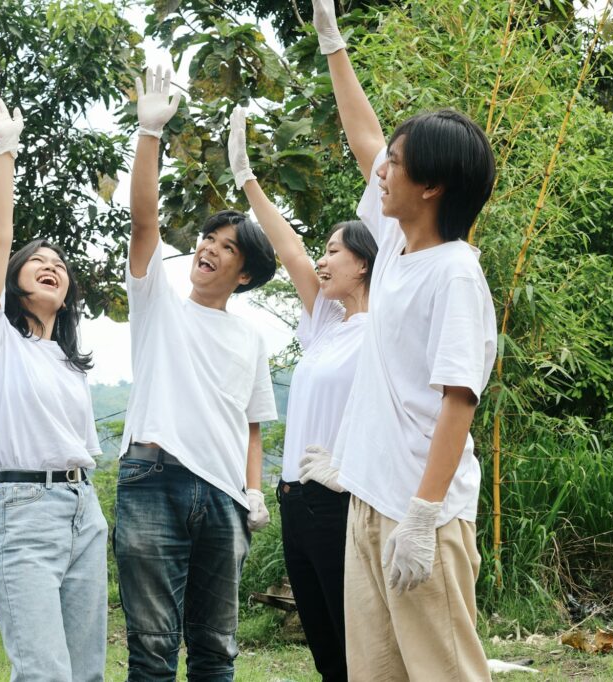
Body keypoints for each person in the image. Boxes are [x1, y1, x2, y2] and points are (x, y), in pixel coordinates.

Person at [310, 0, 498, 679]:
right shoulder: (394, 244)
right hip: (367, 503)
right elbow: (364, 135)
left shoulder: (454, 275)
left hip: (422, 515)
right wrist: (333, 43)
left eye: (396, 163)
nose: (380, 170)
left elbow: (458, 401)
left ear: (432, 186)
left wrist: (421, 518)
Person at [113, 66, 279, 681]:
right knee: (152, 650)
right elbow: (144, 226)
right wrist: (149, 133)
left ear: (246, 273)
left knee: (216, 651)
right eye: (208, 237)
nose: (208, 247)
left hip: (225, 498)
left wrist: (253, 492)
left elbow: (252, 425)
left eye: (227, 245)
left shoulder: (249, 337)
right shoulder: (158, 305)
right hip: (154, 477)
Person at [0, 92, 108, 681]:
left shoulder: (69, 362)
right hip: (22, 509)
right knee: (45, 673)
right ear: (15, 280)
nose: (53, 265)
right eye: (39, 260)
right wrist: (5, 150)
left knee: (88, 673)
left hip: (84, 508)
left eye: (62, 265)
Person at [226, 106, 377, 682]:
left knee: (355, 640)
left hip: (344, 498)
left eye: (336, 250)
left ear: (364, 263)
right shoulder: (326, 325)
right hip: (297, 500)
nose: (321, 258)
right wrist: (247, 180)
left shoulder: (382, 329)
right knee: (323, 644)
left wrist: (355, 468)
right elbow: (289, 248)